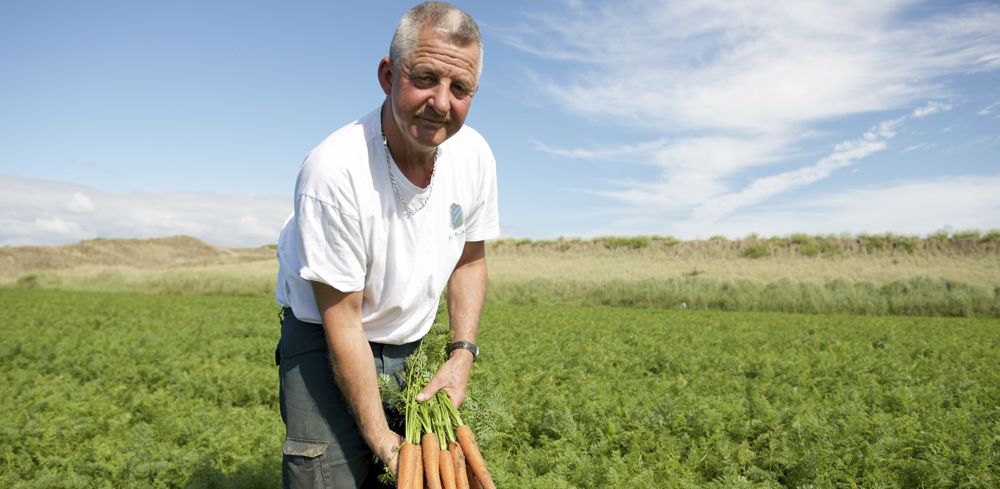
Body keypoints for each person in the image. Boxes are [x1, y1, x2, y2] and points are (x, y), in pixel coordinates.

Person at [272, 2, 498, 488]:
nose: (441, 102)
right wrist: (383, 440)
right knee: (327, 477)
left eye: (460, 88)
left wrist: (461, 353)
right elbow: (343, 320)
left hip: (410, 345)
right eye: (426, 78)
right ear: (388, 75)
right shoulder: (335, 172)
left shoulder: (475, 155)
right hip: (325, 338)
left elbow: (469, 258)